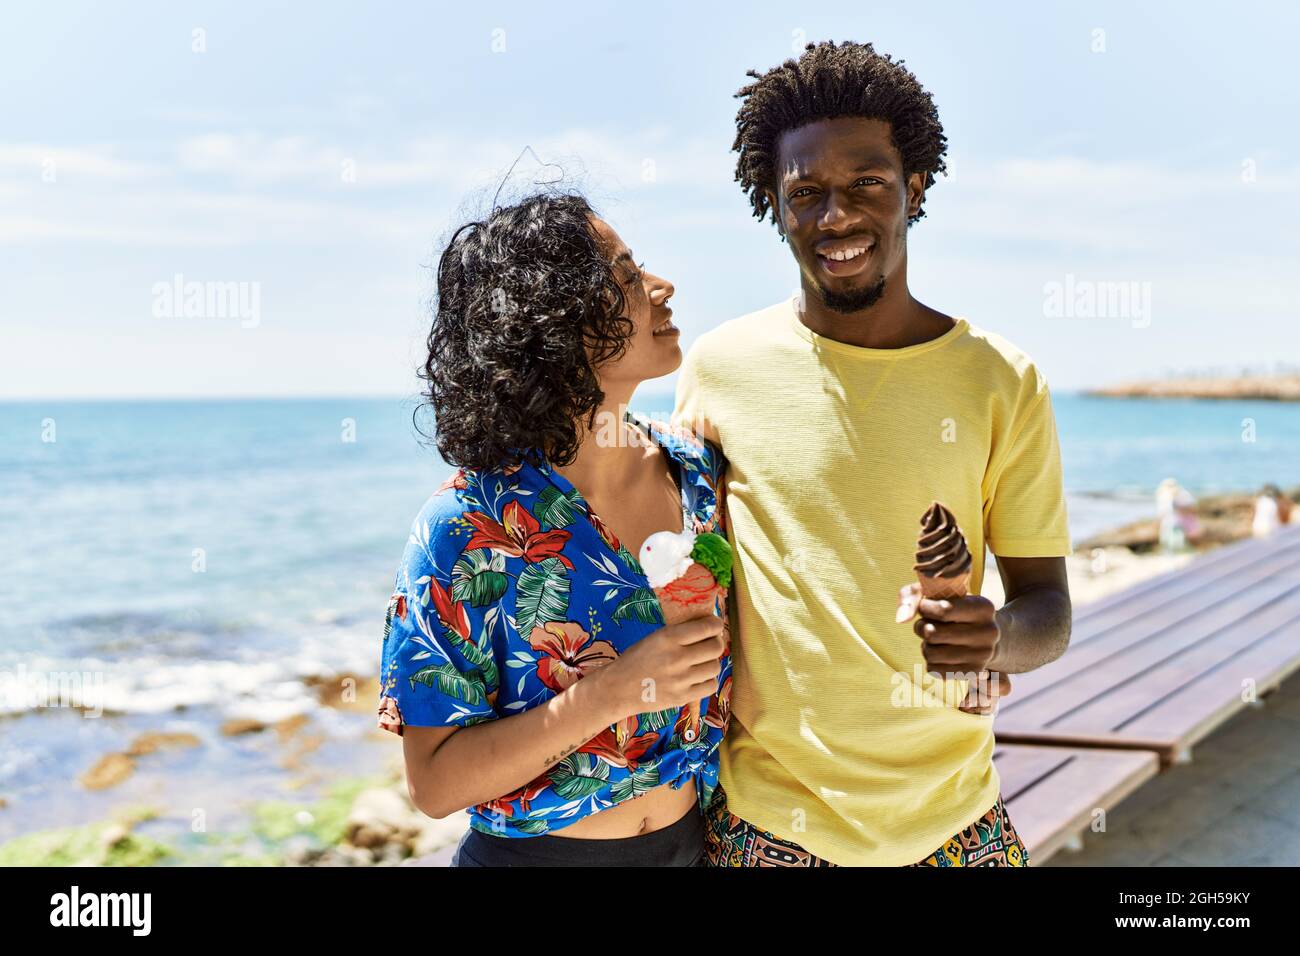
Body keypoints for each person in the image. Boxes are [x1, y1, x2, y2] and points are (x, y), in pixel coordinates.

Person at [672, 40, 1073, 866]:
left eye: (866, 184)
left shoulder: (1002, 380)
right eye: (805, 193)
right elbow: (689, 573)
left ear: (913, 187)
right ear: (772, 205)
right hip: (768, 828)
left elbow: (1049, 612)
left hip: (956, 822)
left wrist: (992, 638)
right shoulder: (718, 369)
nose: (836, 217)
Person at [377, 192, 731, 866]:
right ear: (557, 326)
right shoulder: (467, 529)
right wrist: (613, 691)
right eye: (627, 278)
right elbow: (434, 782)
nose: (662, 288)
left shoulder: (699, 476)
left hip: (693, 847)